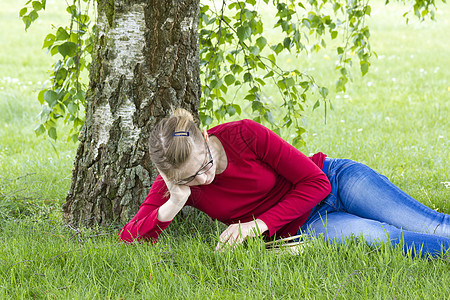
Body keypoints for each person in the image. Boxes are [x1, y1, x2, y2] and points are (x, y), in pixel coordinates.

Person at [119, 108, 450, 258]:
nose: (204, 178)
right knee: (386, 238)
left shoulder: (243, 134)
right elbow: (129, 239)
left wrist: (256, 225)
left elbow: (315, 182)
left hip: (336, 180)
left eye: (205, 163)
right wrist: (173, 203)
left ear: (206, 137)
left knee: (431, 226)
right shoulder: (177, 184)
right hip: (310, 223)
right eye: (192, 177)